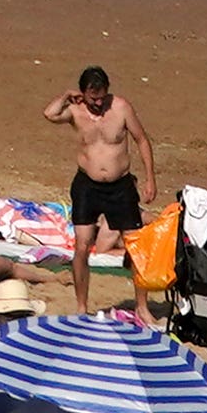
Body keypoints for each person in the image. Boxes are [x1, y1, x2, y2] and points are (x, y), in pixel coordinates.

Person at [52, 63, 153, 313]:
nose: (98, 104)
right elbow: (50, 114)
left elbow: (141, 139)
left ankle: (142, 307)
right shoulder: (75, 111)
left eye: (101, 98)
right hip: (87, 184)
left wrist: (150, 179)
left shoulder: (120, 108)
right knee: (82, 245)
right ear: (83, 93)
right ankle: (81, 306)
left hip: (120, 185)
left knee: (136, 245)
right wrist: (66, 96)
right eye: (92, 98)